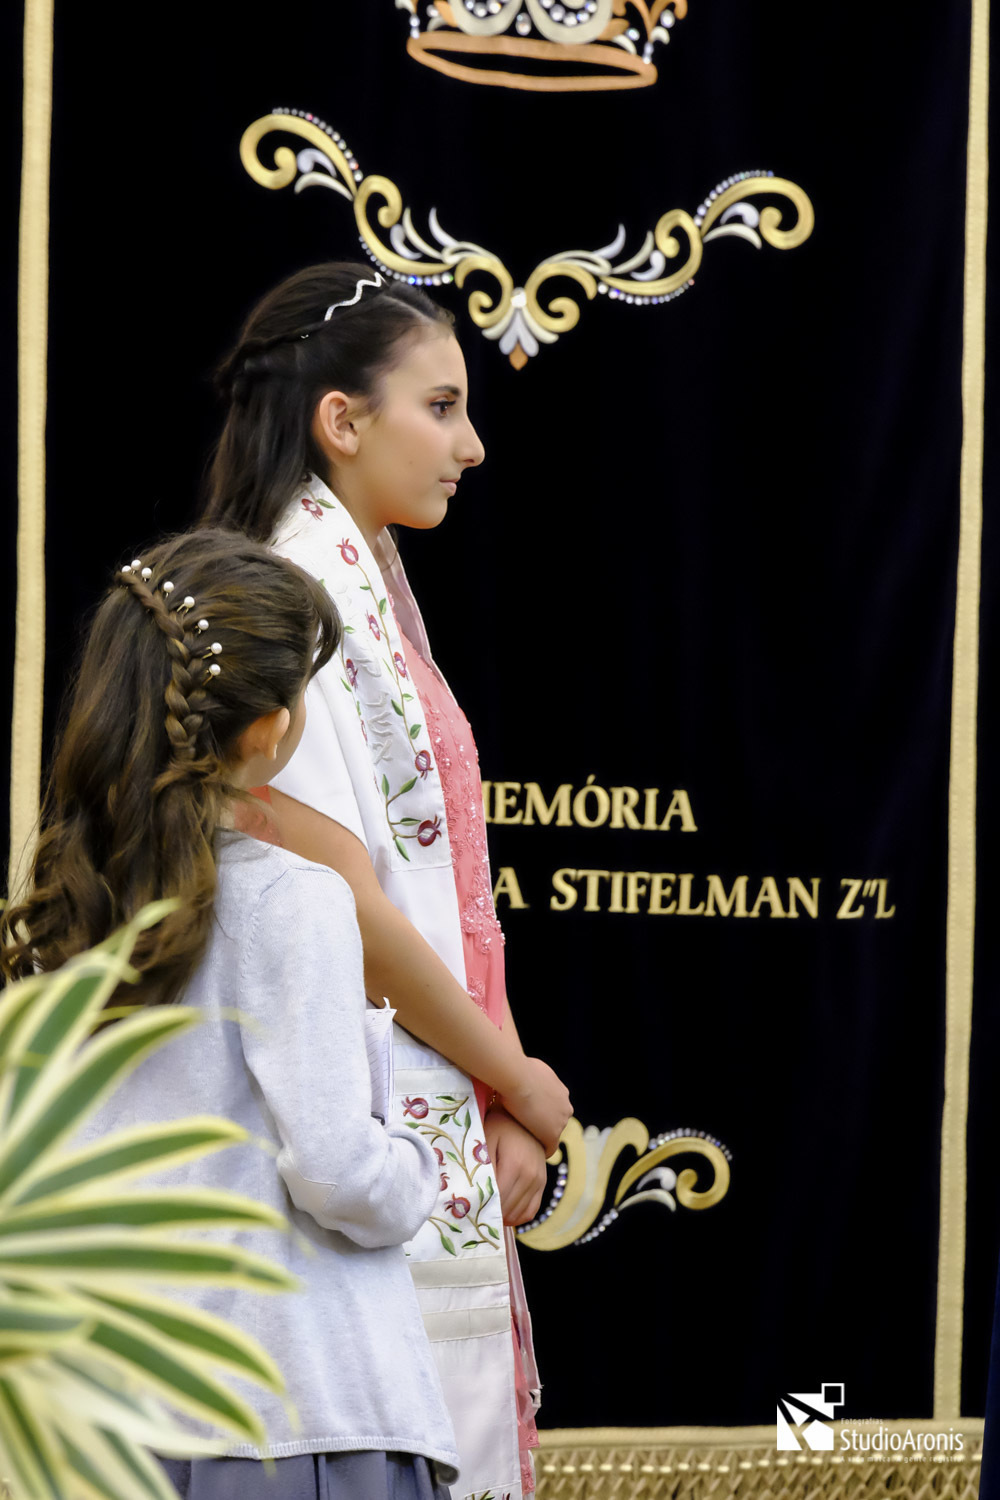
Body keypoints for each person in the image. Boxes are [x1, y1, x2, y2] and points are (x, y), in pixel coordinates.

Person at [201, 263, 572, 1498]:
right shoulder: (286, 598)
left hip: (414, 1089)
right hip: (346, 1124)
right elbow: (343, 909)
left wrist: (497, 1085)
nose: (471, 443)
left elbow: (435, 884)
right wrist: (511, 1075)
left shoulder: (353, 577)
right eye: (443, 406)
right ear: (341, 420)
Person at [1, 529, 461, 1500]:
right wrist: (417, 1168)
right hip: (296, 1410)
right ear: (268, 730)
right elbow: (335, 1170)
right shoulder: (290, 901)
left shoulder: (59, 911)